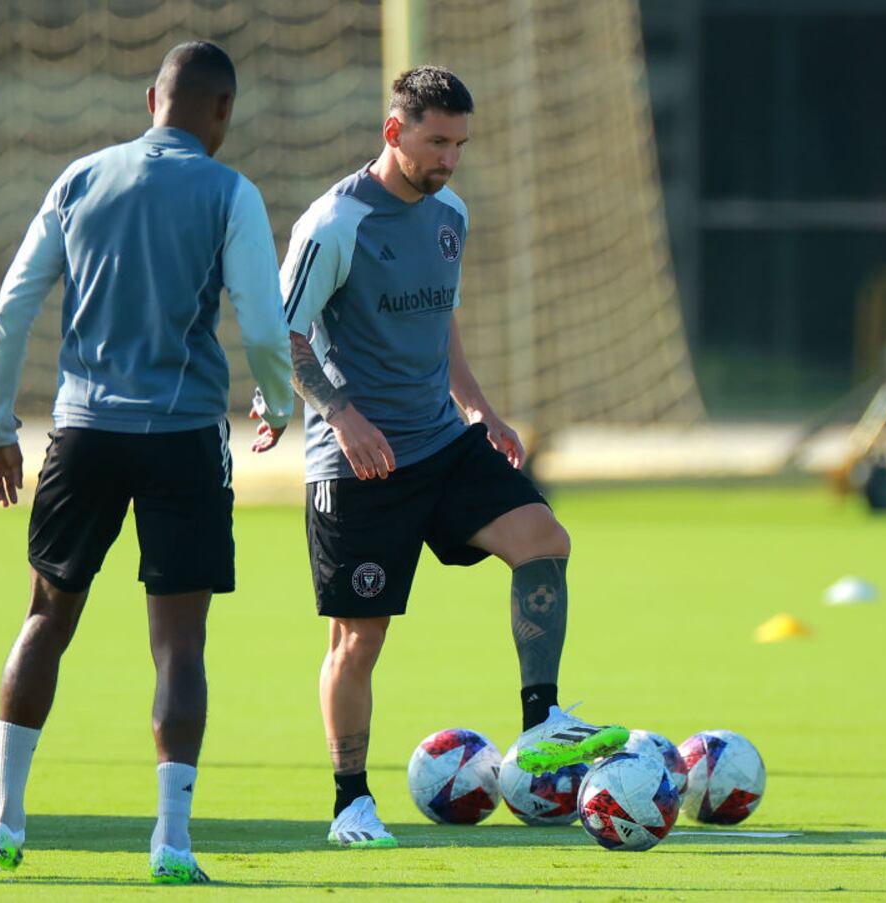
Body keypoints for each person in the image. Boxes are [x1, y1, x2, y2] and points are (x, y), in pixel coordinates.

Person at [279, 66, 628, 849]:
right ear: (394, 131)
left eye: (460, 144)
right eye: (437, 141)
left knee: (544, 540)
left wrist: (478, 406)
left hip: (442, 439)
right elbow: (283, 335)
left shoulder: (450, 213)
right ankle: (350, 803)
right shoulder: (335, 224)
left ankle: (542, 722)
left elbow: (443, 323)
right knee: (357, 640)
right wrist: (341, 415)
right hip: (359, 463)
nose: (450, 159)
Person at [0, 41, 294, 884]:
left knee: (46, 615)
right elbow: (262, 323)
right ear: (222, 110)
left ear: (151, 97)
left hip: (81, 433)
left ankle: (3, 816)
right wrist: (278, 399)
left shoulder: (79, 178)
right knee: (179, 646)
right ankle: (172, 841)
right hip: (182, 436)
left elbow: (11, 308)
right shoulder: (230, 190)